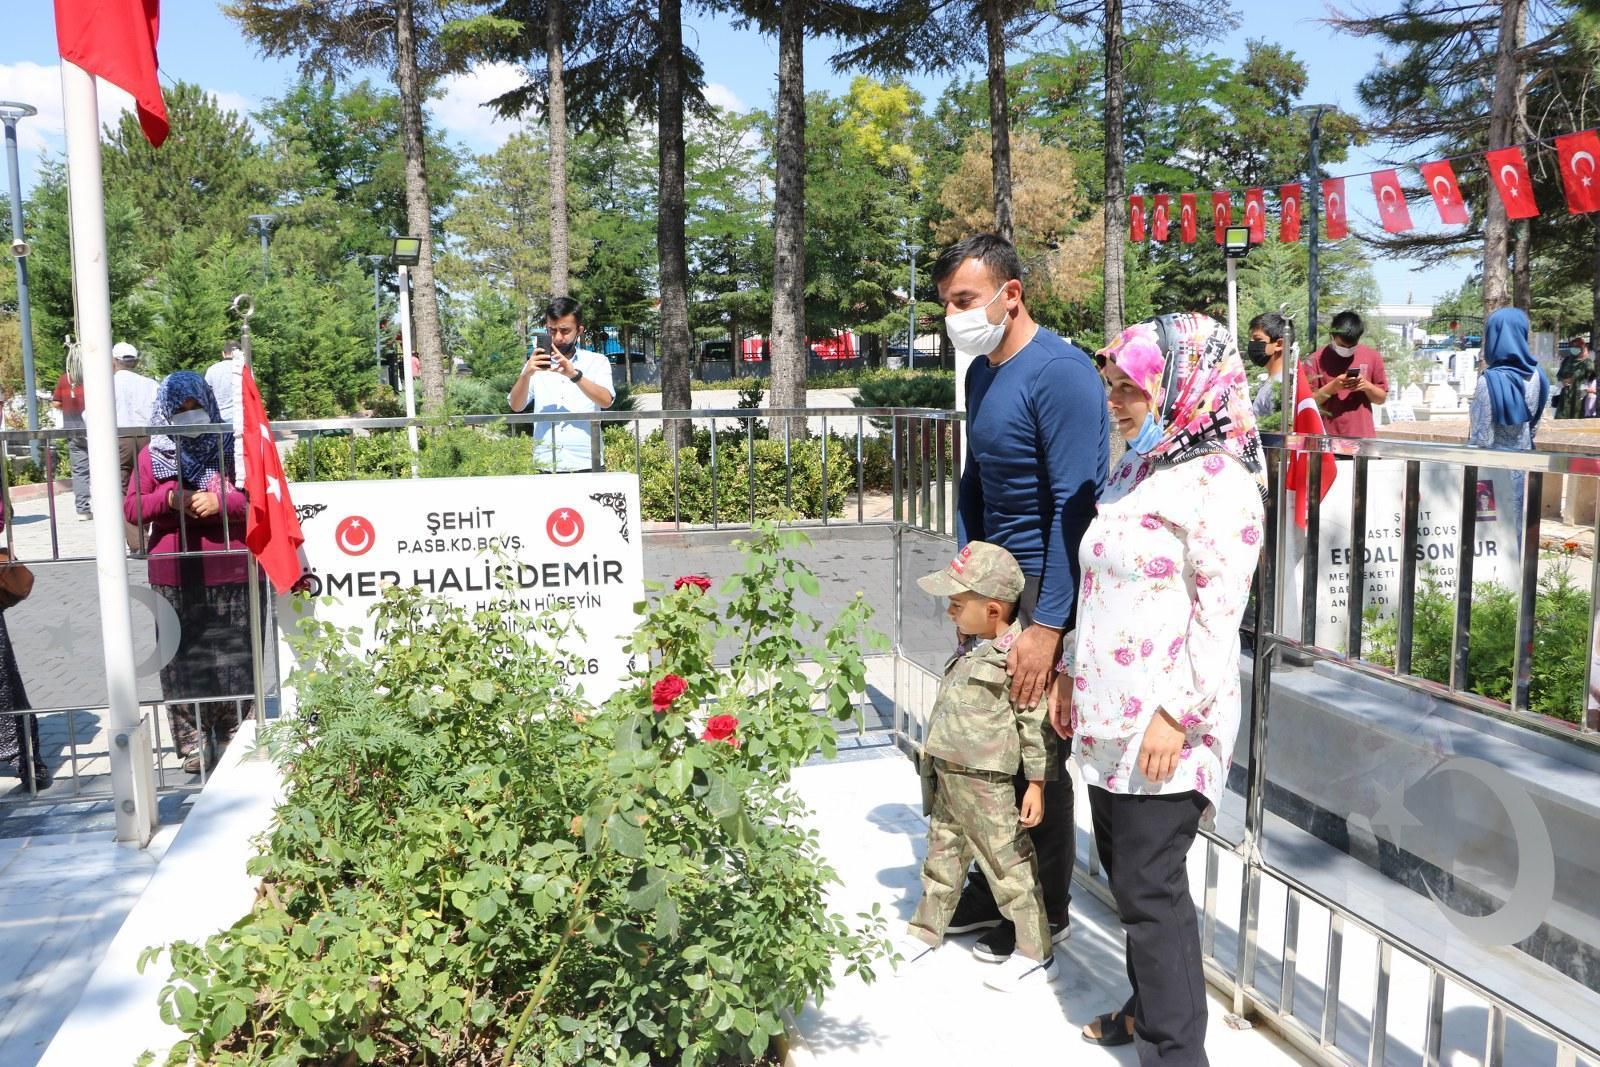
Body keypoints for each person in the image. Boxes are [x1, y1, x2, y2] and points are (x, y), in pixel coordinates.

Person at [1053, 313, 1265, 1063]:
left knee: (1150, 891)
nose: (1116, 402)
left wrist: (1177, 712)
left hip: (1169, 724)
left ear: (1181, 385)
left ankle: (1176, 1051)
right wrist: (1071, 674)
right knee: (1129, 882)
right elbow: (1099, 583)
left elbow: (1219, 619)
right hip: (1109, 718)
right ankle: (1148, 1008)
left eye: (1131, 388)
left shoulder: (1224, 483)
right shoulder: (1138, 468)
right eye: (1111, 386)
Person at [940, 232, 1108, 960]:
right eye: (946, 302)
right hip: (997, 583)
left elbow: (1077, 505)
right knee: (986, 742)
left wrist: (1048, 626)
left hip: (1045, 582)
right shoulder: (981, 371)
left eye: (964, 300)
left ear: (1011, 293)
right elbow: (978, 479)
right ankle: (997, 882)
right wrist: (971, 577)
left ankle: (1046, 904)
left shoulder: (1062, 374)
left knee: (1035, 746)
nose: (952, 315)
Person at [896, 541, 1060, 993]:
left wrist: (1037, 785)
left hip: (987, 783)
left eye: (957, 603)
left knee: (1009, 868)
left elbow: (1033, 723)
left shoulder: (1016, 657)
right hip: (949, 772)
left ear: (992, 609)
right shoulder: (970, 647)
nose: (949, 611)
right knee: (942, 857)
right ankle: (926, 931)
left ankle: (1035, 954)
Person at [124, 372, 251, 775]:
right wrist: (169, 498)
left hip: (228, 565)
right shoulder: (152, 455)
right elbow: (132, 508)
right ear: (164, 412)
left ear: (208, 405)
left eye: (195, 407)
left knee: (234, 656)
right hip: (173, 570)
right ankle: (193, 742)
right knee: (181, 660)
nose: (189, 415)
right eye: (179, 410)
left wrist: (222, 503)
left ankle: (235, 734)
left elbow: (257, 502)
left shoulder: (233, 449)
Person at [507, 296, 615, 473]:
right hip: (546, 465)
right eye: (552, 330)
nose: (558, 337)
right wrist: (526, 375)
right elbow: (516, 406)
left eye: (565, 331)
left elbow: (606, 401)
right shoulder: (534, 365)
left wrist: (575, 375)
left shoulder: (596, 362)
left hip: (587, 463)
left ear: (579, 330)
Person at [1469, 308, 1549, 522]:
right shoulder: (1539, 376)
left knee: (1488, 538)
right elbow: (1533, 427)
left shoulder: (1489, 381)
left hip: (1491, 477)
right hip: (1524, 469)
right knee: (1518, 537)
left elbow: (1481, 439)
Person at [1306, 310, 1388, 438]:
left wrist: (1366, 386)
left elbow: (1381, 399)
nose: (1347, 350)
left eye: (1352, 346)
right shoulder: (1314, 360)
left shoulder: (1372, 357)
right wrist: (1333, 387)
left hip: (1362, 437)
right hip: (1326, 437)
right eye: (1342, 345)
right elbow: (1309, 402)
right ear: (1332, 336)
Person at [113, 342, 159, 548]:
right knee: (144, 485)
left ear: (114, 361)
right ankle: (146, 532)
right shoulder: (149, 383)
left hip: (118, 438)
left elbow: (89, 416)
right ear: (135, 361)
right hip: (146, 436)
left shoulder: (106, 383)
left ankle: (137, 541)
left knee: (122, 489)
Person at [52, 368, 91, 520]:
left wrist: (69, 407)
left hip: (73, 429)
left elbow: (56, 403)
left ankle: (83, 509)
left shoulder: (64, 379)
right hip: (95, 429)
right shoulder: (96, 375)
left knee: (80, 471)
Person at [1246, 311, 1289, 425]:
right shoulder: (1271, 382)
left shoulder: (1281, 386)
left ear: (1279, 344)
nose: (1251, 344)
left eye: (1258, 340)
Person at [1556, 336, 1593, 420]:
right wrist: (1562, 381)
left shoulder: (1587, 362)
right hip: (1565, 396)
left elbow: (1592, 380)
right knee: (1562, 421)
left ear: (1581, 348)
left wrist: (1585, 388)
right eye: (1572, 347)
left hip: (1579, 397)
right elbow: (1559, 375)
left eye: (1576, 347)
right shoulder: (1566, 360)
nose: (1573, 349)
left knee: (1577, 421)